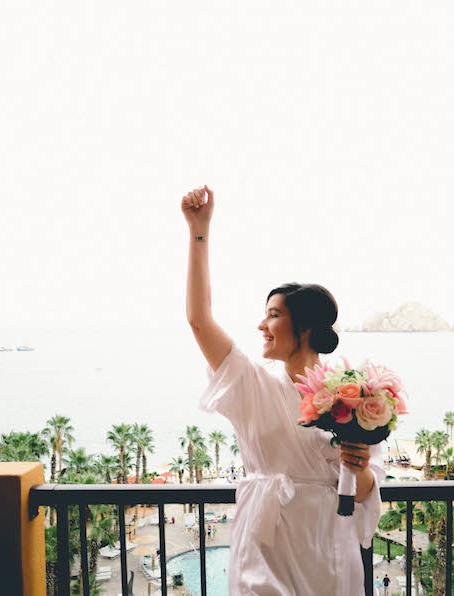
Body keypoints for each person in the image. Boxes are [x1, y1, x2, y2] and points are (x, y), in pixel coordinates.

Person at [183, 185, 386, 595]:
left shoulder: (353, 398)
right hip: (266, 548)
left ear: (304, 328)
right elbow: (199, 320)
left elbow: (366, 491)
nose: (261, 325)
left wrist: (360, 465)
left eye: (273, 315)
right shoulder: (251, 384)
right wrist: (198, 233)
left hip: (327, 548)